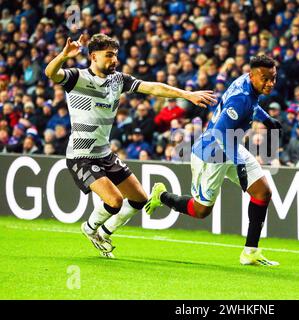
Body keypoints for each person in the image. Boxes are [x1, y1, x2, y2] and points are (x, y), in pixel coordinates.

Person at [44, 34, 216, 258]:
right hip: (81, 155)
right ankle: (89, 228)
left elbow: (152, 88)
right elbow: (50, 73)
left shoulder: (118, 80)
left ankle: (105, 232)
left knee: (139, 198)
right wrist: (64, 55)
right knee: (114, 201)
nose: (114, 59)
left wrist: (186, 94)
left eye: (115, 55)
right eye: (108, 55)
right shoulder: (77, 78)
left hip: (104, 153)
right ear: (93, 56)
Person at [145, 55, 282, 266]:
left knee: (263, 192)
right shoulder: (241, 97)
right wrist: (239, 163)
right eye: (265, 78)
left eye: (273, 78)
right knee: (201, 211)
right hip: (212, 153)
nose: (270, 83)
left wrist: (265, 119)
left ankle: (250, 252)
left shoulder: (247, 85)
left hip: (232, 145)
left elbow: (251, 106)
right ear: (252, 75)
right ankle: (161, 196)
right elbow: (219, 132)